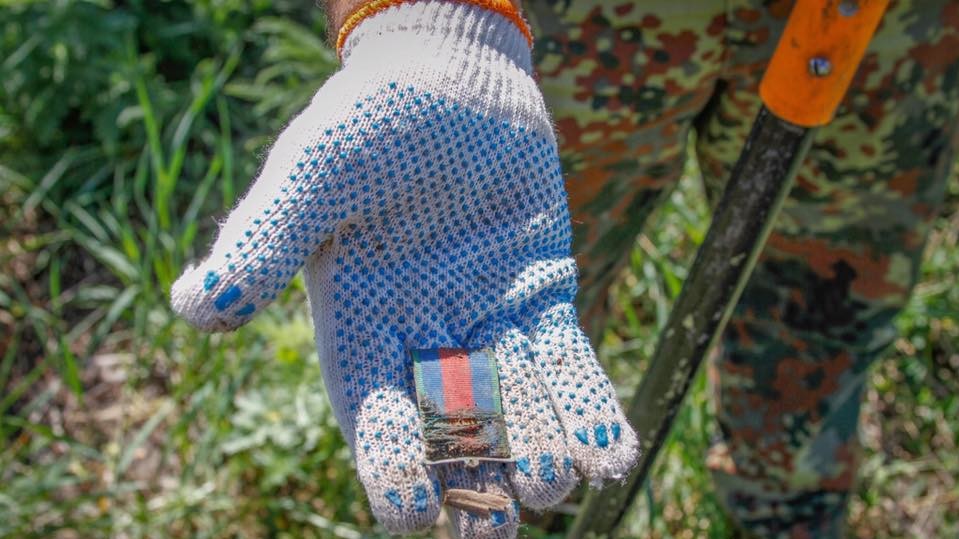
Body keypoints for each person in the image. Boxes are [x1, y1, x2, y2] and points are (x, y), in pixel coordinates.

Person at [172, 0, 959, 538]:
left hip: (881, 28)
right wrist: (430, 22)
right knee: (488, 344)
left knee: (817, 326)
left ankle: (784, 506)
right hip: (557, 27)